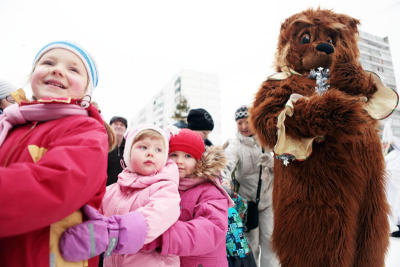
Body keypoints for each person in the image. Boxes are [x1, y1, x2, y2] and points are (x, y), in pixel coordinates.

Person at [0, 41, 115, 267]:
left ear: (86, 91)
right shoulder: (13, 125)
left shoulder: (87, 131)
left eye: (73, 69)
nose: (57, 69)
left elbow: (56, 184)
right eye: (48, 62)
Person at [60, 125, 181, 267]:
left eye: (158, 149)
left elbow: (157, 215)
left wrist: (114, 232)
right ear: (128, 153)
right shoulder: (114, 190)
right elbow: (94, 213)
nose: (151, 153)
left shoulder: (165, 188)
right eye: (143, 147)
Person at [144, 128, 233, 266]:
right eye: (174, 155)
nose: (179, 161)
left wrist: (163, 237)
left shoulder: (209, 190)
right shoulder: (161, 186)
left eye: (187, 156)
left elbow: (211, 229)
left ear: (199, 161)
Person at [221, 105, 279, 267]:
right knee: (250, 245)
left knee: (270, 242)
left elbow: (285, 163)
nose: (244, 127)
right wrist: (225, 181)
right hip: (248, 204)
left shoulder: (266, 141)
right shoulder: (235, 145)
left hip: (268, 201)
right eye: (240, 123)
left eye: (247, 122)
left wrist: (273, 163)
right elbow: (226, 166)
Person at [107, 116, 128, 185]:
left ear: (125, 129)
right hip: (105, 187)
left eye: (122, 125)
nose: (119, 126)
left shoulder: (129, 146)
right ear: (109, 127)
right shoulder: (104, 143)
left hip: (124, 187)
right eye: (116, 124)